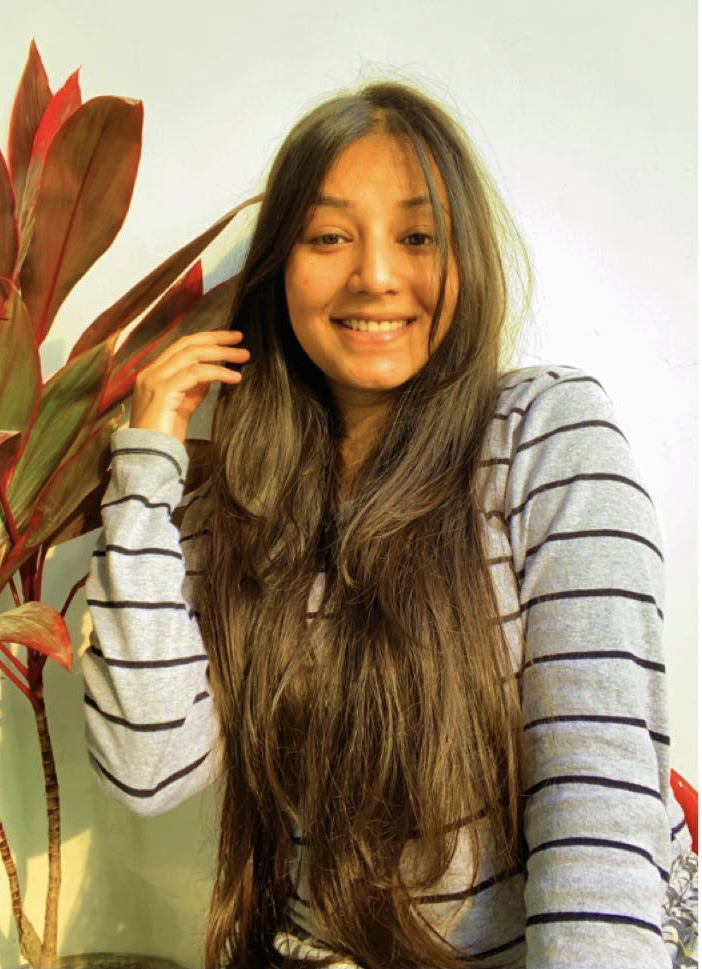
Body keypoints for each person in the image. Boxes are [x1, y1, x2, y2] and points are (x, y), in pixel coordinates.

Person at [83, 82, 696, 969]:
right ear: (279, 271)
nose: (374, 274)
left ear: (465, 259)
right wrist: (146, 464)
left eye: (417, 237)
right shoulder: (244, 507)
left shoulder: (545, 438)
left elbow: (597, 804)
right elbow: (148, 766)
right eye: (329, 237)